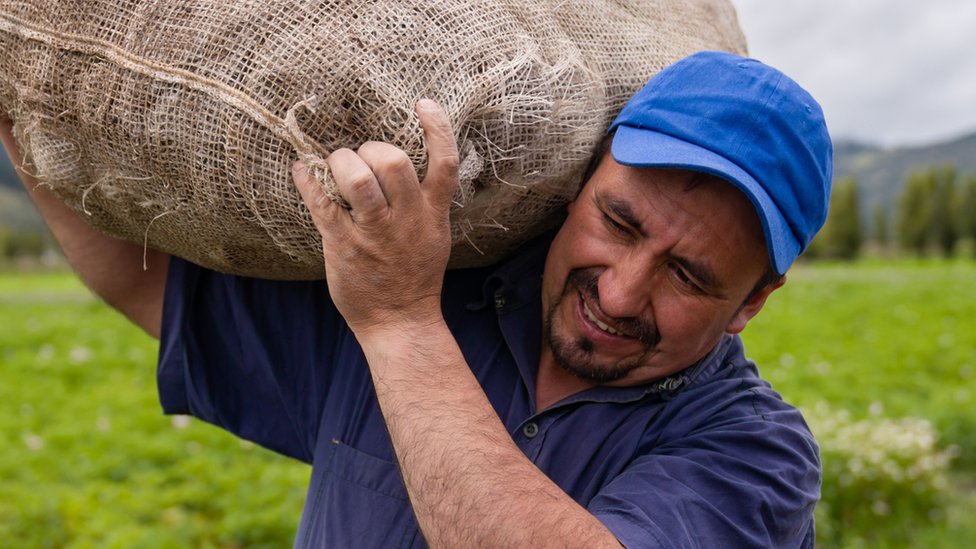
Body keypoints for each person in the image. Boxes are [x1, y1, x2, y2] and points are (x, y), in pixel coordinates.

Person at [2, 51, 832, 548]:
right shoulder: (447, 295)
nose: (620, 291)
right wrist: (19, 109)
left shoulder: (755, 453)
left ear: (753, 301)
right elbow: (149, 286)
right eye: (617, 222)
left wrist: (400, 326)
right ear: (578, 188)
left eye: (687, 276)